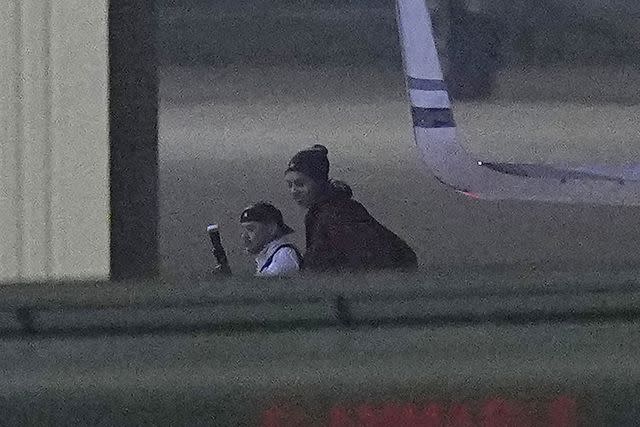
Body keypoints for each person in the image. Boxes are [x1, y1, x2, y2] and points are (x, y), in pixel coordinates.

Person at [284, 144, 418, 273]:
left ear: (319, 183)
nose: (294, 191)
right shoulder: (323, 212)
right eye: (290, 185)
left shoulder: (336, 215)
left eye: (300, 184)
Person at [239, 202, 302, 277]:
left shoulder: (283, 256)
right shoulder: (270, 256)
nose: (244, 236)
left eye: (251, 229)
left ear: (271, 229)